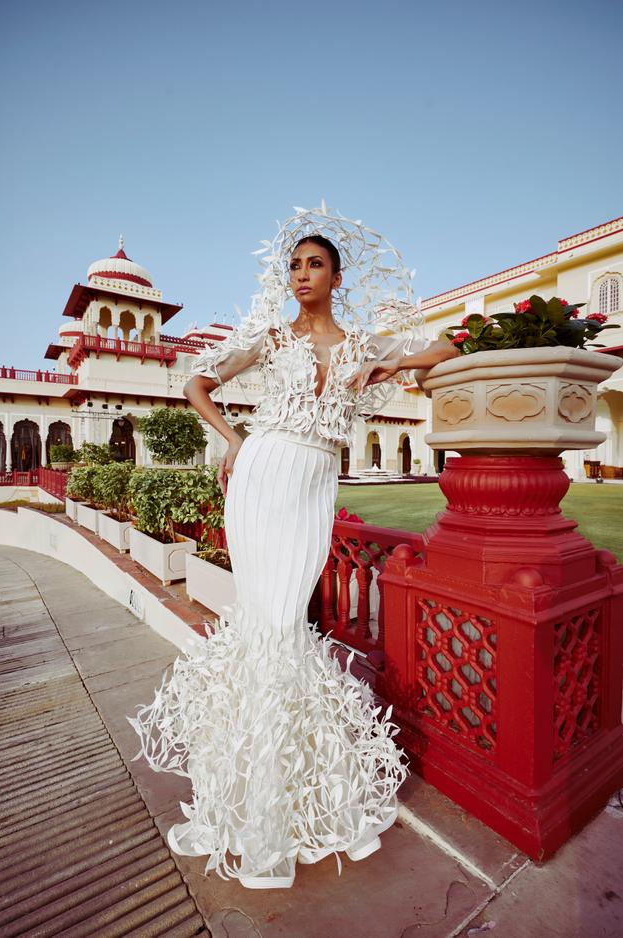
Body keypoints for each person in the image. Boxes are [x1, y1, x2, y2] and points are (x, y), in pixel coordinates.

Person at [126, 216, 458, 890]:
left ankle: (300, 790)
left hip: (313, 481)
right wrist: (233, 440)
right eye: (294, 266)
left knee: (288, 626)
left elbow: (446, 349)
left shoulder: (361, 342)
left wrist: (391, 361)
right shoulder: (273, 337)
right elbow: (197, 384)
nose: (301, 274)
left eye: (314, 265)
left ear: (336, 277)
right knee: (268, 625)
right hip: (263, 470)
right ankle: (254, 802)